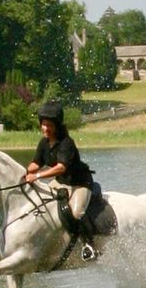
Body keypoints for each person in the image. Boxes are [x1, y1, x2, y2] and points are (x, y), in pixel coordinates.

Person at [24, 101, 100, 260]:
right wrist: (22, 172)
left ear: (57, 126)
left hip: (80, 183)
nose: (45, 128)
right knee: (41, 202)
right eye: (43, 125)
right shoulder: (43, 143)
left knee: (76, 212)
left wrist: (37, 176)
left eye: (49, 125)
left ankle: (89, 245)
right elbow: (36, 163)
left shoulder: (67, 143)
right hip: (61, 182)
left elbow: (61, 167)